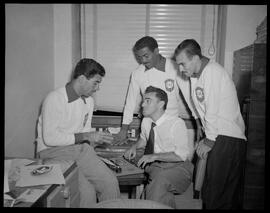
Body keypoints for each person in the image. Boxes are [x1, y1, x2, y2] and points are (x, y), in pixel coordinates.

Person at [36, 58, 121, 208]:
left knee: (98, 187)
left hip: (76, 151)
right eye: (95, 82)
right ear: (82, 79)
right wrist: (87, 137)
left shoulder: (88, 102)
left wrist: (95, 139)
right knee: (97, 187)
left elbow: (84, 132)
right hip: (51, 152)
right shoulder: (54, 98)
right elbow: (50, 138)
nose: (97, 88)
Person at [173, 39, 247, 209]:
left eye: (183, 64)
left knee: (220, 196)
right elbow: (203, 110)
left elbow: (212, 109)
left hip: (228, 138)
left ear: (196, 58)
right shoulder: (197, 76)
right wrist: (206, 134)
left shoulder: (212, 72)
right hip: (218, 136)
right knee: (212, 193)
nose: (181, 69)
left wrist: (210, 140)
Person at [114, 36, 202, 145]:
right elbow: (130, 103)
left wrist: (198, 123)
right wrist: (124, 129)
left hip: (171, 128)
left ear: (156, 51)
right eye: (139, 57)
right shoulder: (137, 74)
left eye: (146, 56)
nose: (143, 60)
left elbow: (190, 98)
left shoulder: (175, 68)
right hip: (148, 129)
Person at [124, 86, 194, 208]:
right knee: (157, 184)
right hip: (156, 166)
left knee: (159, 181)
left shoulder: (176, 123)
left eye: (148, 101)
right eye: (143, 100)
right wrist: (134, 147)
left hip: (179, 168)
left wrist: (153, 156)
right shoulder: (146, 121)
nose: (142, 104)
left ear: (160, 104)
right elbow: (143, 140)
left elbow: (181, 155)